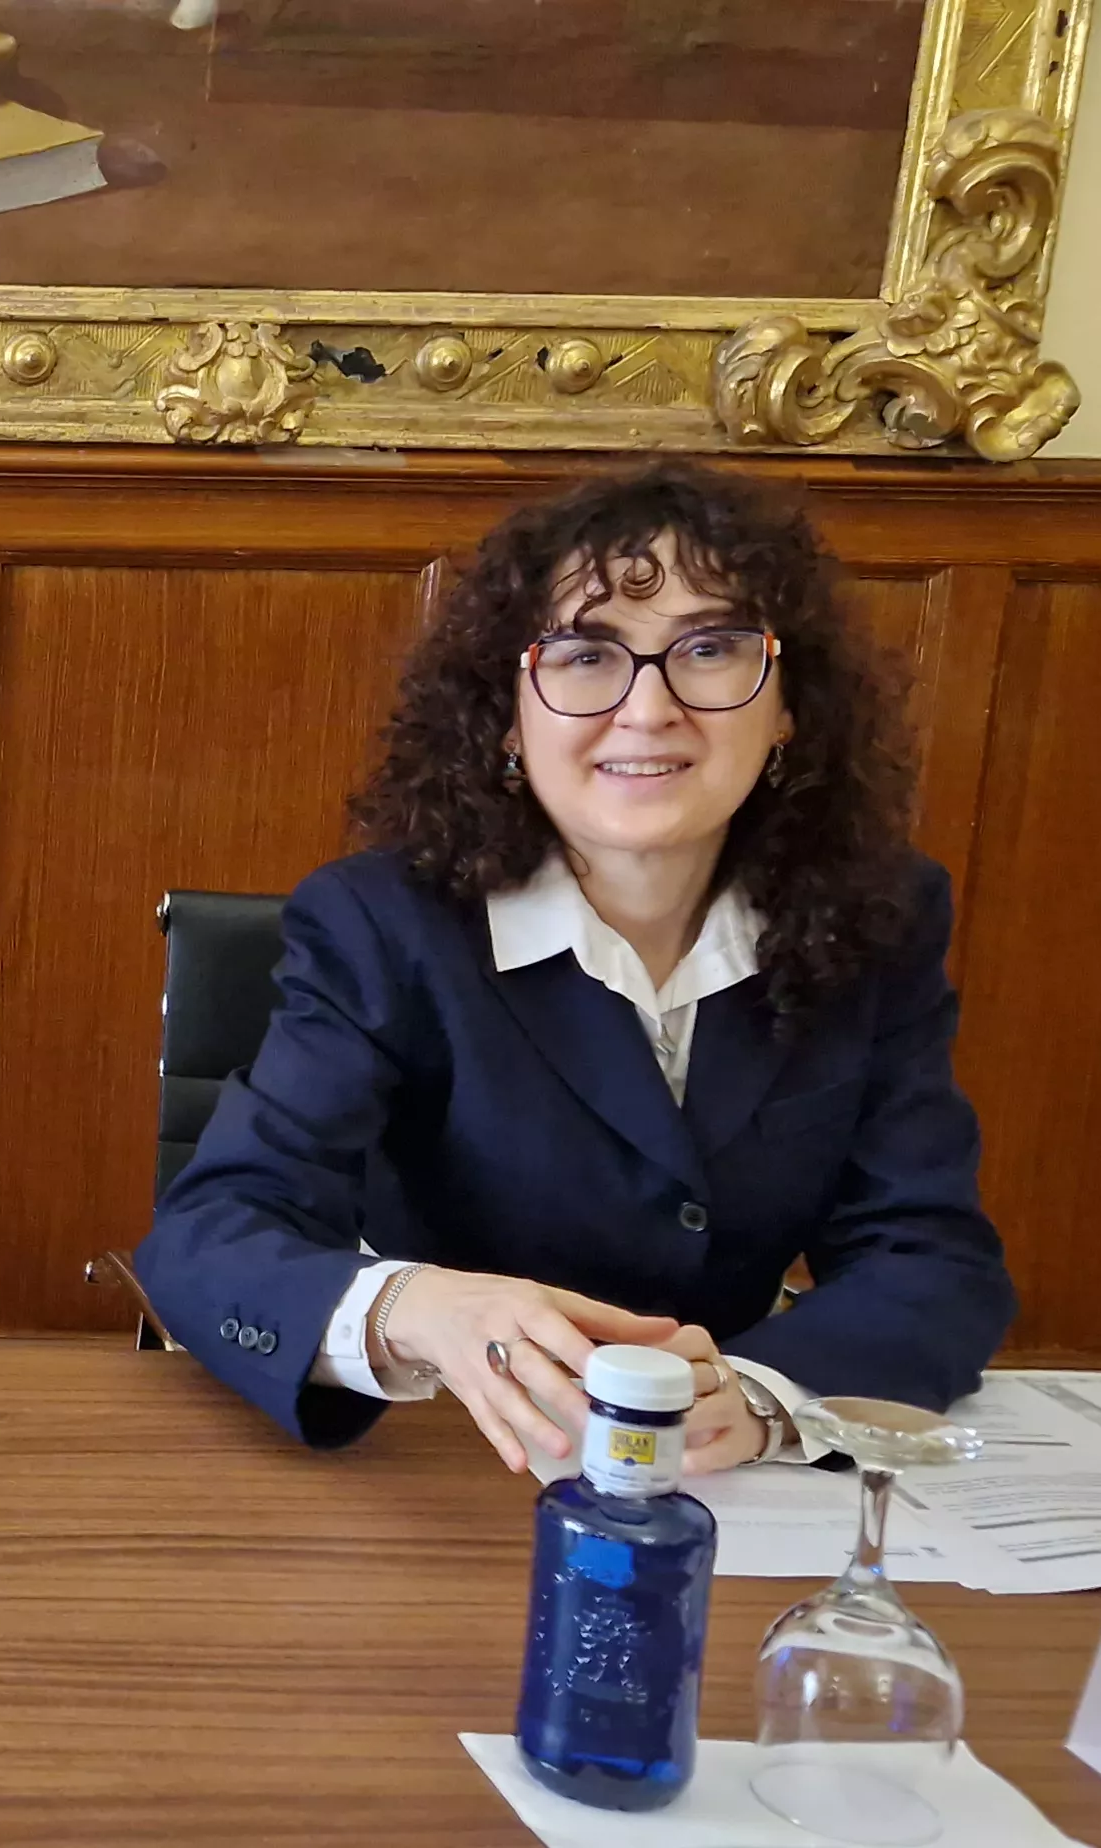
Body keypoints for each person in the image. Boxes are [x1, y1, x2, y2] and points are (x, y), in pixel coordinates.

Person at [135, 460, 1012, 1473]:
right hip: (451, 1463)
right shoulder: (383, 923)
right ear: (508, 714)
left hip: (722, 1487)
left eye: (711, 648)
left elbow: (933, 1258)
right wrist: (416, 1307)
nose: (647, 709)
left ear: (787, 711)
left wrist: (767, 1394)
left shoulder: (877, 919)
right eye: (585, 655)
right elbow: (206, 1240)